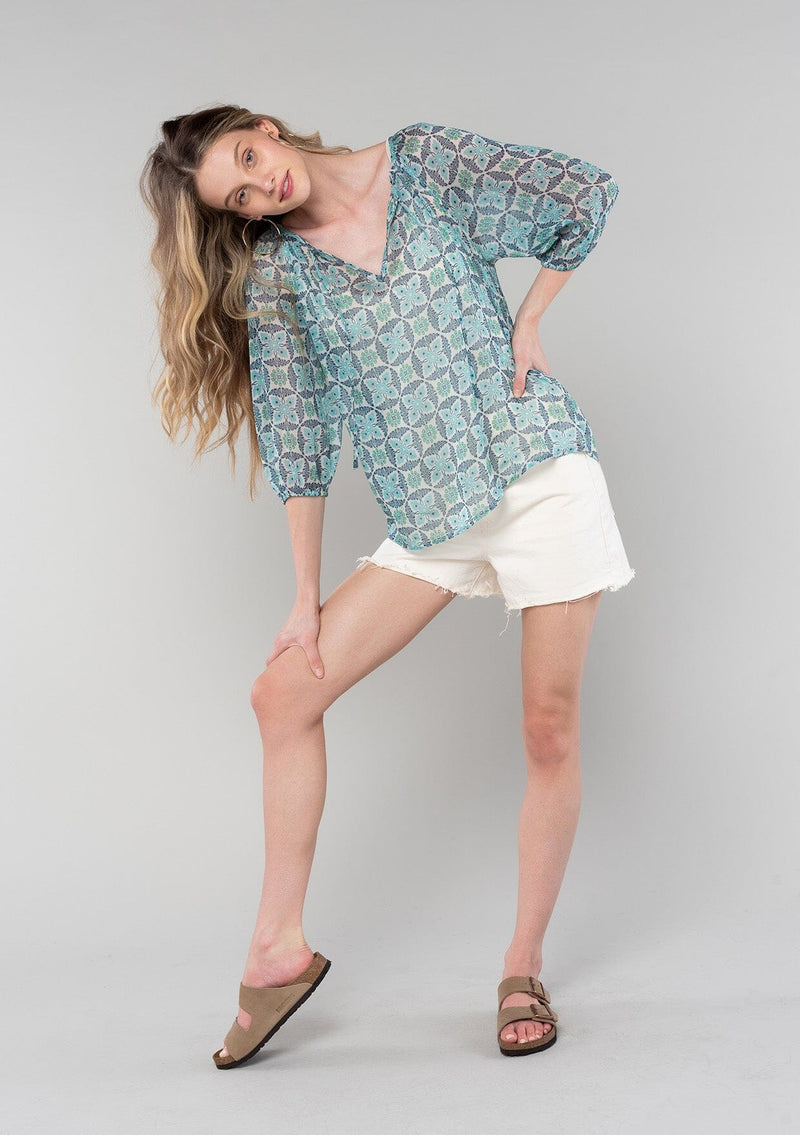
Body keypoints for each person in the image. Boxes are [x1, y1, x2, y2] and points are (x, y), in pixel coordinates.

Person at [139, 107, 636, 1065]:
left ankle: (522, 965)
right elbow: (297, 430)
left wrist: (531, 317)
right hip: (431, 508)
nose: (261, 189)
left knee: (548, 728)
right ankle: (277, 949)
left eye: (249, 160)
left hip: (537, 468)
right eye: (238, 198)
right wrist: (303, 597)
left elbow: (584, 195)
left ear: (264, 128)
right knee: (282, 695)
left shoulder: (427, 164)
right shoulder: (280, 275)